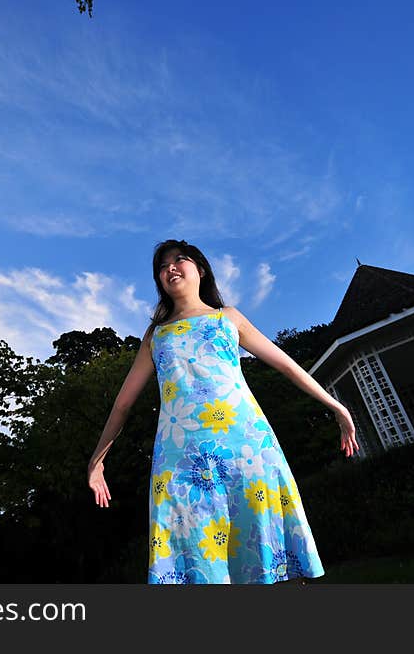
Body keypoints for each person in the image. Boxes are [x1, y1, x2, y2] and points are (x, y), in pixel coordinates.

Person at [87, 239, 358, 584]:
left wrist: (336, 406)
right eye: (162, 265)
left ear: (199, 269)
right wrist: (97, 460)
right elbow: (123, 403)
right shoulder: (157, 334)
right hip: (180, 458)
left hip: (248, 446)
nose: (170, 267)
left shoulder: (228, 317)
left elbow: (287, 366)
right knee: (196, 556)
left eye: (179, 260)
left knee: (267, 555)